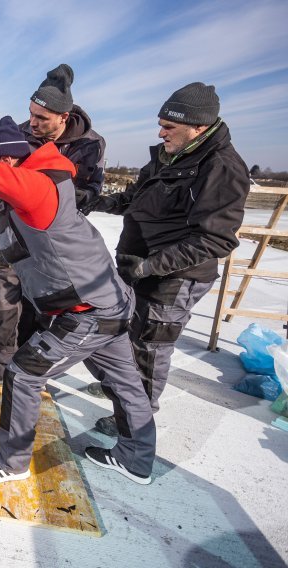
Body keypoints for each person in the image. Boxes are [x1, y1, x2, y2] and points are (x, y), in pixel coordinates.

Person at [0, 67, 155, 484]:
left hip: (88, 310)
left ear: (6, 159)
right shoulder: (36, 175)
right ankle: (137, 460)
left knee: (24, 373)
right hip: (110, 301)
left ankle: (12, 463)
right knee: (126, 384)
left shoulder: (34, 187)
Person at [83, 82, 250, 436]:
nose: (161, 133)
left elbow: (215, 239)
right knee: (123, 332)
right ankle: (123, 391)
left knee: (149, 346)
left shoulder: (222, 167)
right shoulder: (167, 153)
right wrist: (99, 203)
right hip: (138, 265)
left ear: (199, 127)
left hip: (176, 278)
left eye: (169, 126)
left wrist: (148, 266)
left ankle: (134, 423)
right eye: (160, 124)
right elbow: (137, 198)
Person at [0, 64, 107, 389]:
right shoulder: (19, 132)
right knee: (3, 305)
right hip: (11, 238)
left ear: (64, 116)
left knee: (44, 311)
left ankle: (31, 372)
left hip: (51, 247)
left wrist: (43, 196)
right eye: (30, 114)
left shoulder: (90, 144)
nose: (31, 123)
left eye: (41, 119)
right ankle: (0, 368)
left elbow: (88, 195)